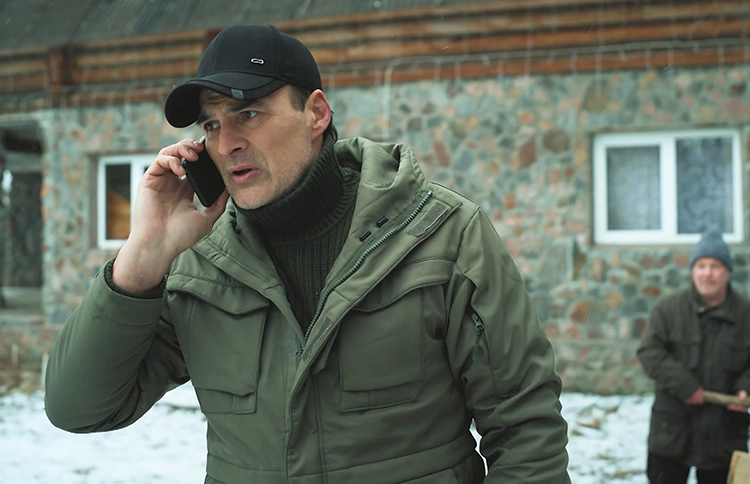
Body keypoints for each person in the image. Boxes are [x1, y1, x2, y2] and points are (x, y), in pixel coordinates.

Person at [44, 24, 570, 484]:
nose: (226, 144)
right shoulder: (197, 264)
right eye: (211, 124)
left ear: (315, 113)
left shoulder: (443, 234)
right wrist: (141, 258)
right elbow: (80, 409)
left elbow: (524, 428)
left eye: (248, 113)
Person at [637, 229, 750, 484]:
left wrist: (747, 387)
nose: (707, 273)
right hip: (671, 432)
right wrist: (685, 386)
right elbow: (650, 352)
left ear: (728, 271)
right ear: (692, 270)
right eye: (701, 266)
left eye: (715, 266)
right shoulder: (668, 309)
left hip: (724, 434)